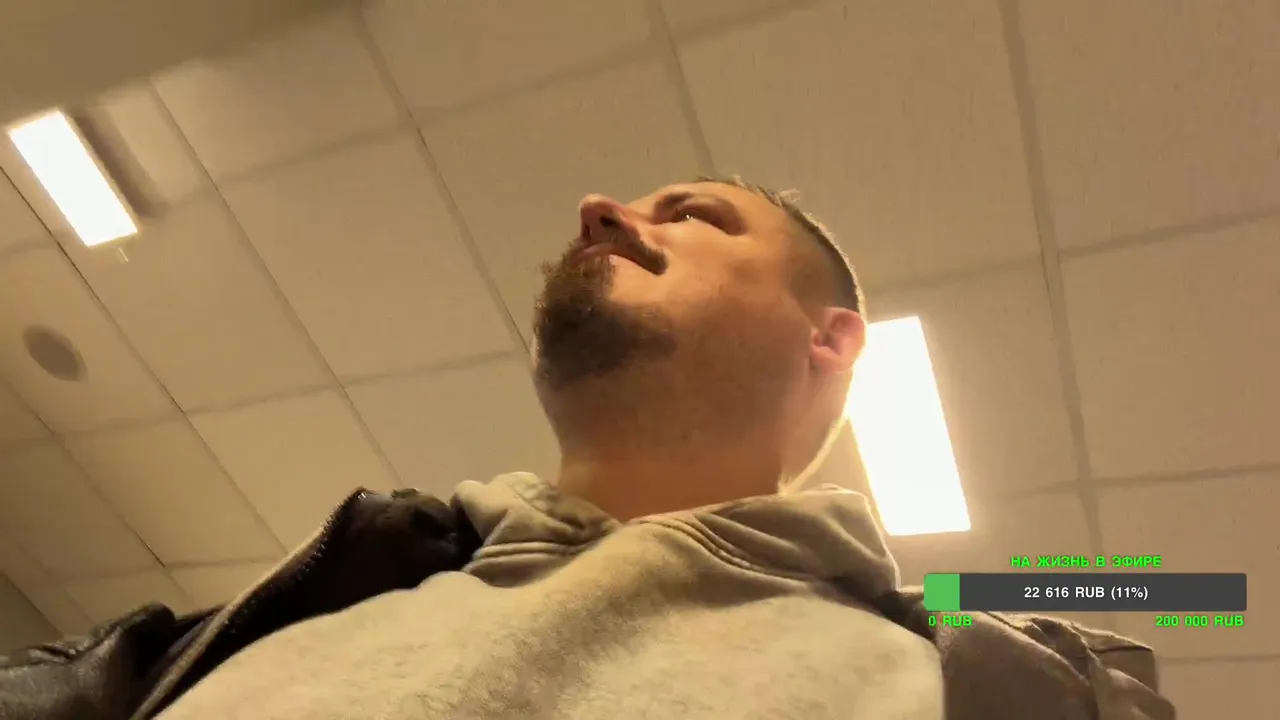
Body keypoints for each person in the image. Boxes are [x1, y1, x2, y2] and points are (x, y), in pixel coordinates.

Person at [0, 179, 1173, 720]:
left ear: (830, 340)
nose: (597, 209)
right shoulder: (324, 588)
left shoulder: (976, 688)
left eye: (692, 215)